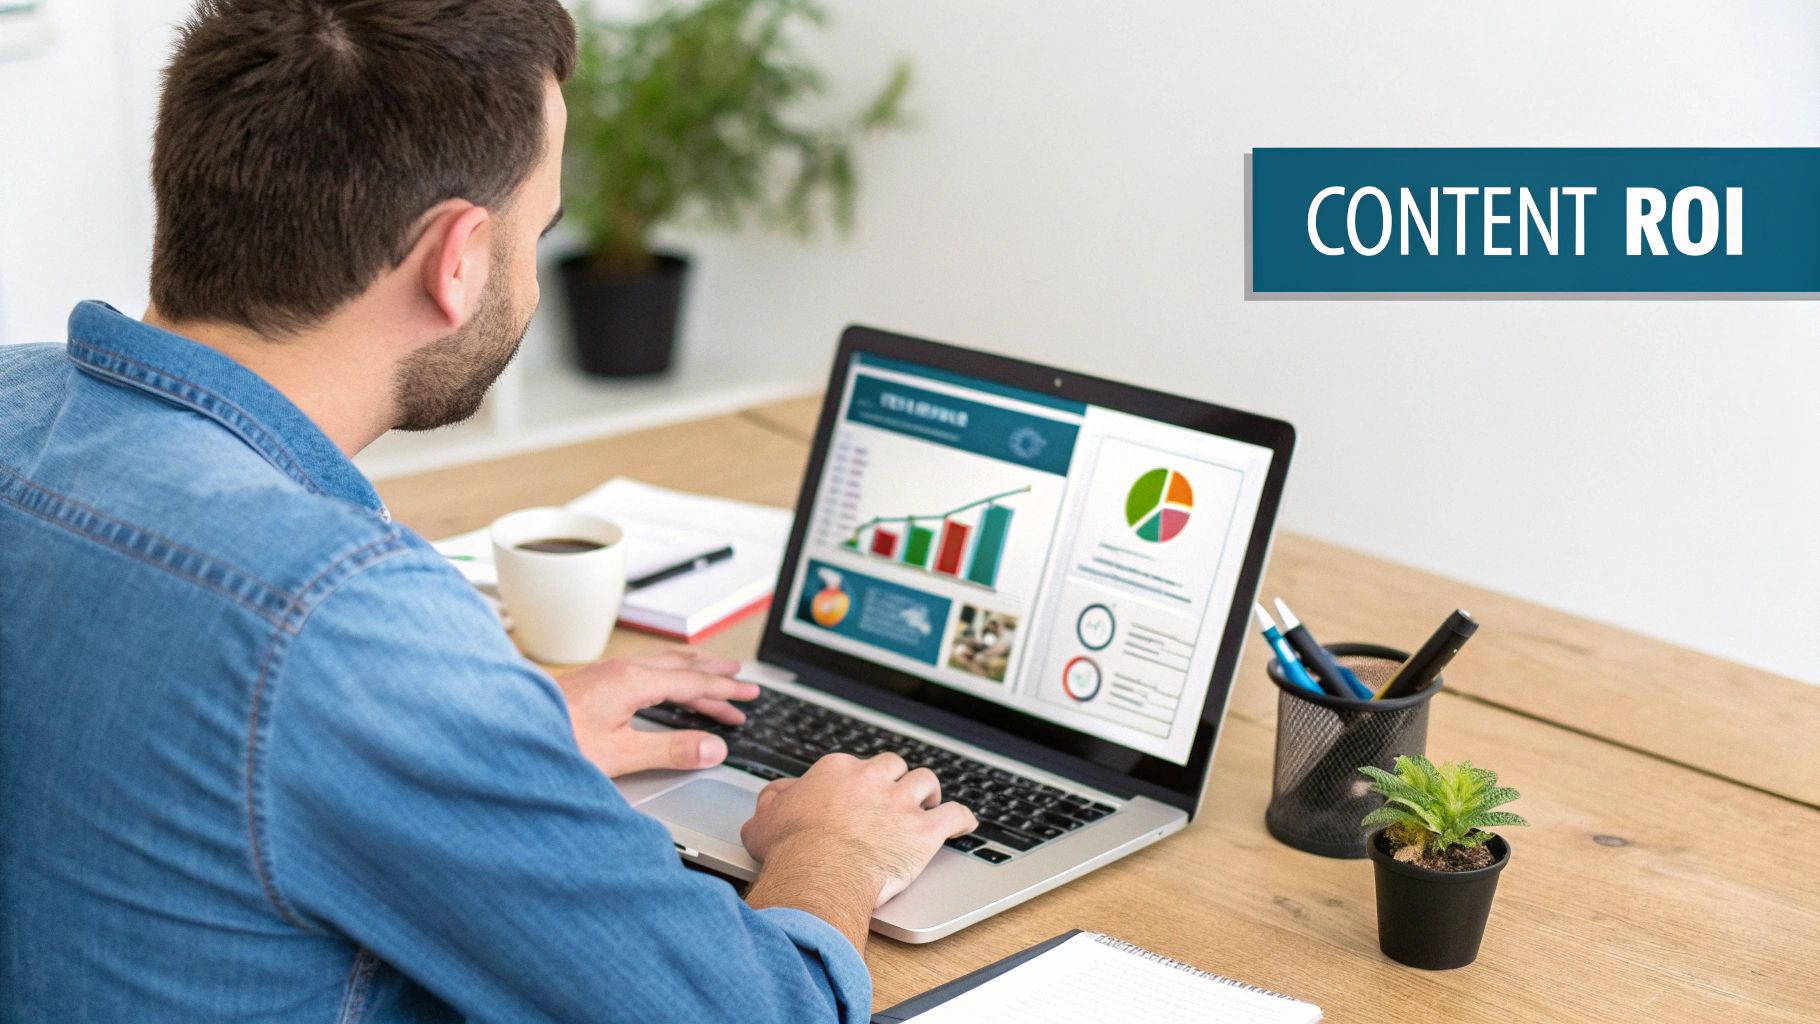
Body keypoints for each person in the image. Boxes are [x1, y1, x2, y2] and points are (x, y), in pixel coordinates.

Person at [0, 2, 974, 1021]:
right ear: (456, 258)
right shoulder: (336, 618)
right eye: (538, 231)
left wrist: (483, 752)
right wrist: (835, 847)